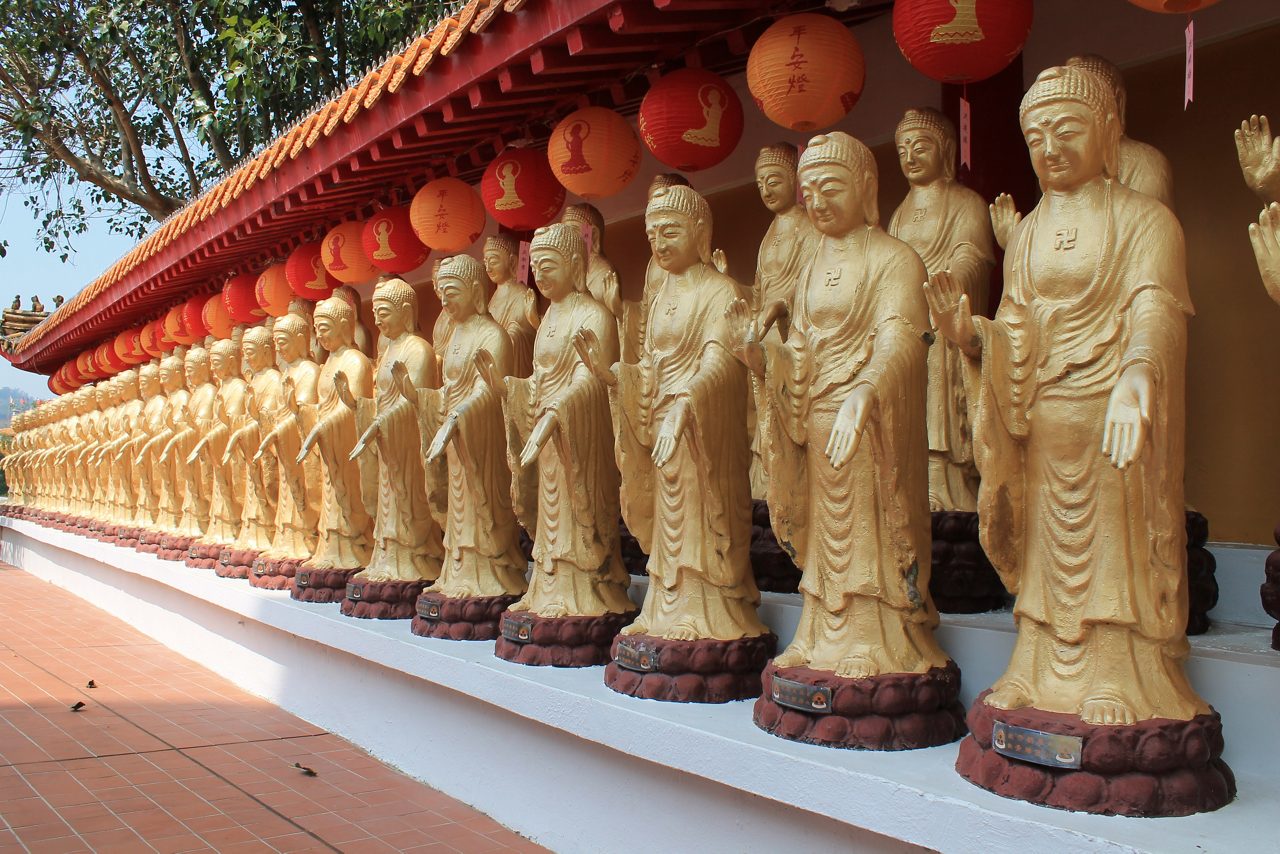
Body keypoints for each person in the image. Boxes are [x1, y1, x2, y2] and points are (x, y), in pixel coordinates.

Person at [925, 65, 1206, 725]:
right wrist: (975, 340)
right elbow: (1016, 325)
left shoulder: (1147, 222)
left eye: (1067, 130)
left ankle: (1121, 675)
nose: (1050, 148)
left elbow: (1156, 307)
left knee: (1115, 548)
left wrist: (1139, 373)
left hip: (1114, 414)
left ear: (1107, 133)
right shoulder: (1026, 234)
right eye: (1037, 137)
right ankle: (1037, 666)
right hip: (1045, 418)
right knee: (1046, 555)